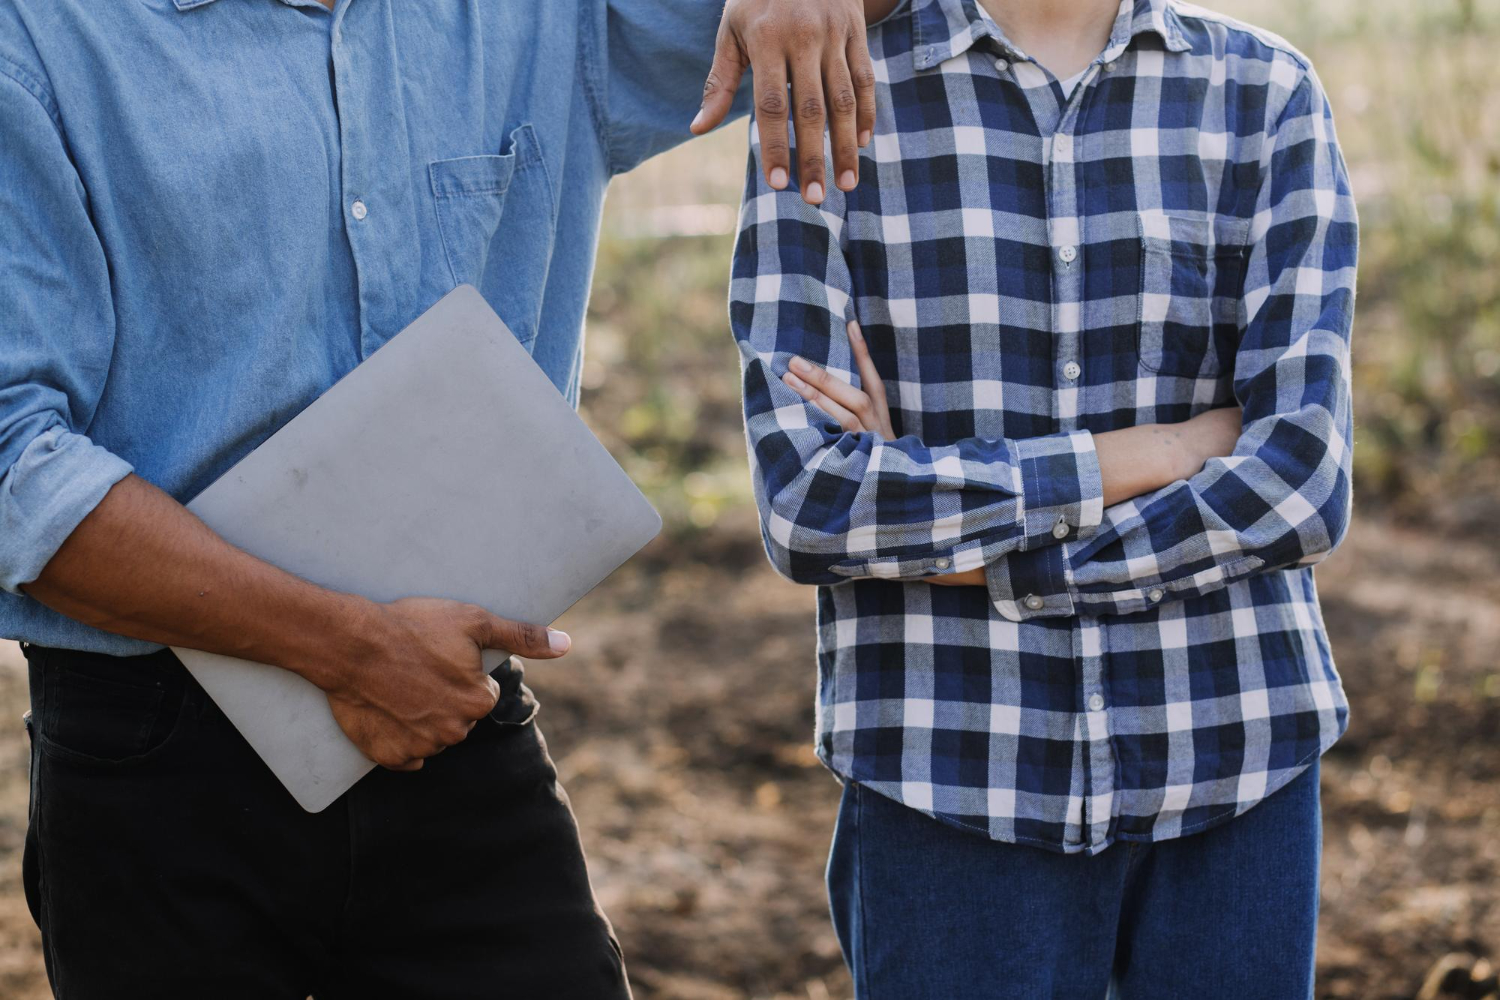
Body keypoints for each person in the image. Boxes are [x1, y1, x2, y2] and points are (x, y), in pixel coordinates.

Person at [0, 1, 883, 996]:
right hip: (158, 758)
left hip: (450, 715)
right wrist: (348, 647)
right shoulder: (39, 41)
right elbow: (11, 460)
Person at [729, 0, 1356, 995]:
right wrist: (1157, 450)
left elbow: (1300, 483)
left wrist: (982, 547)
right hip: (947, 777)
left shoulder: (1263, 93)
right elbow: (812, 501)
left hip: (1234, 761)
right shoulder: (834, 98)